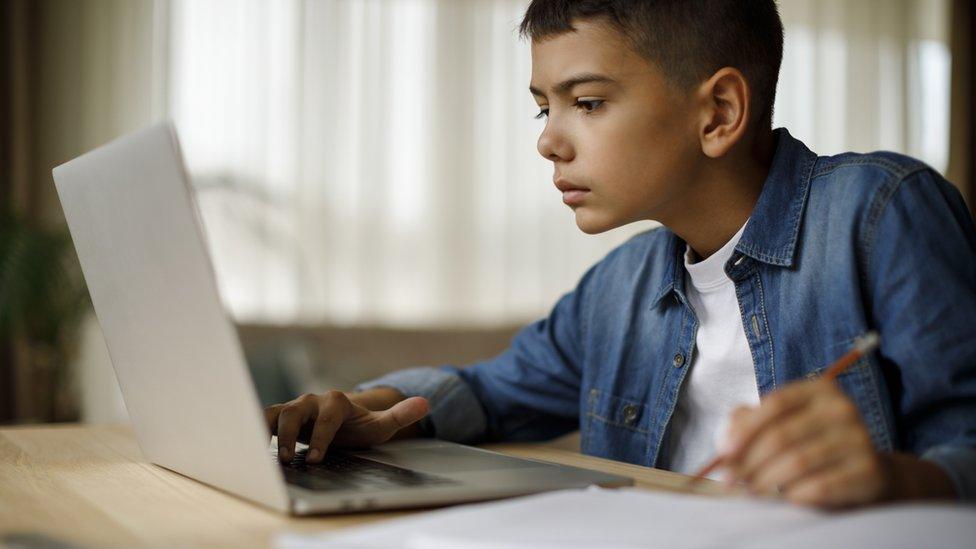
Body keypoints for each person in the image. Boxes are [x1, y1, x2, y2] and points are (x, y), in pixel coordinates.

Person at [264, 0, 976, 509]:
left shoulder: (881, 216)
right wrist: (370, 406)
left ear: (719, 113)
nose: (548, 140)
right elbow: (484, 392)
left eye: (589, 101)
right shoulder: (618, 287)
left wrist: (897, 481)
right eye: (545, 106)